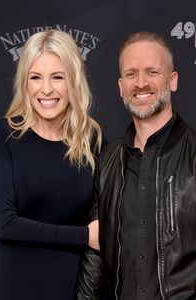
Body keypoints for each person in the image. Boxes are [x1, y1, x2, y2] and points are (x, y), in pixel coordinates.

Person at [76, 31, 196, 300]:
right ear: (120, 86)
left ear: (173, 80)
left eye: (152, 72)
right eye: (131, 74)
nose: (141, 83)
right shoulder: (107, 160)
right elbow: (95, 257)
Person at [0, 29, 105, 300]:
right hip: (12, 288)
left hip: (71, 290)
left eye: (58, 77)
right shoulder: (3, 136)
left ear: (74, 81)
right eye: (36, 78)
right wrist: (83, 236)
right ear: (25, 83)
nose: (46, 89)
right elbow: (5, 224)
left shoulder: (90, 141)